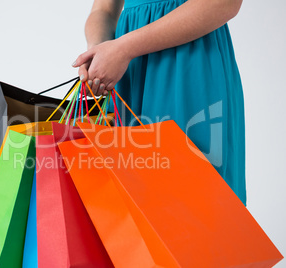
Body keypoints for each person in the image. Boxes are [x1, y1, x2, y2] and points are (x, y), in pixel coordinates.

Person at [72, 0, 246, 205]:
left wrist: (123, 49)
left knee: (195, 200)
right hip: (129, 74)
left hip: (187, 67)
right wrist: (98, 51)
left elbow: (224, 3)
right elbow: (103, 10)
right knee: (124, 206)